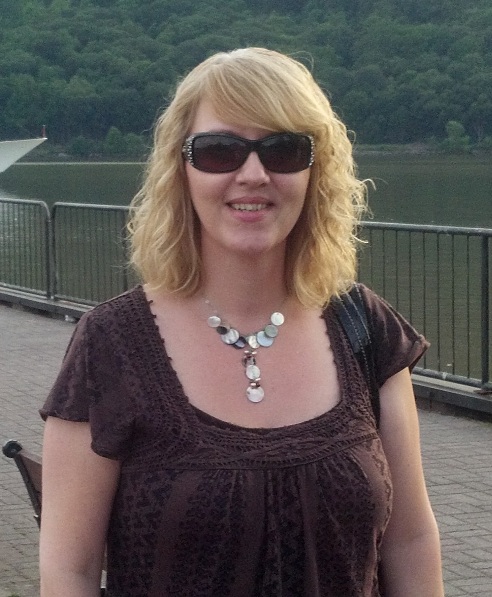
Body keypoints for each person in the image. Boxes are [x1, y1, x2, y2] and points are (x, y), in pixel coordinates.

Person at [39, 47, 444, 596]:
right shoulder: (111, 343)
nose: (253, 175)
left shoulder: (363, 327)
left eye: (284, 150)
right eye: (219, 151)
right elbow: (71, 569)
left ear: (315, 170)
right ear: (180, 170)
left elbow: (410, 542)